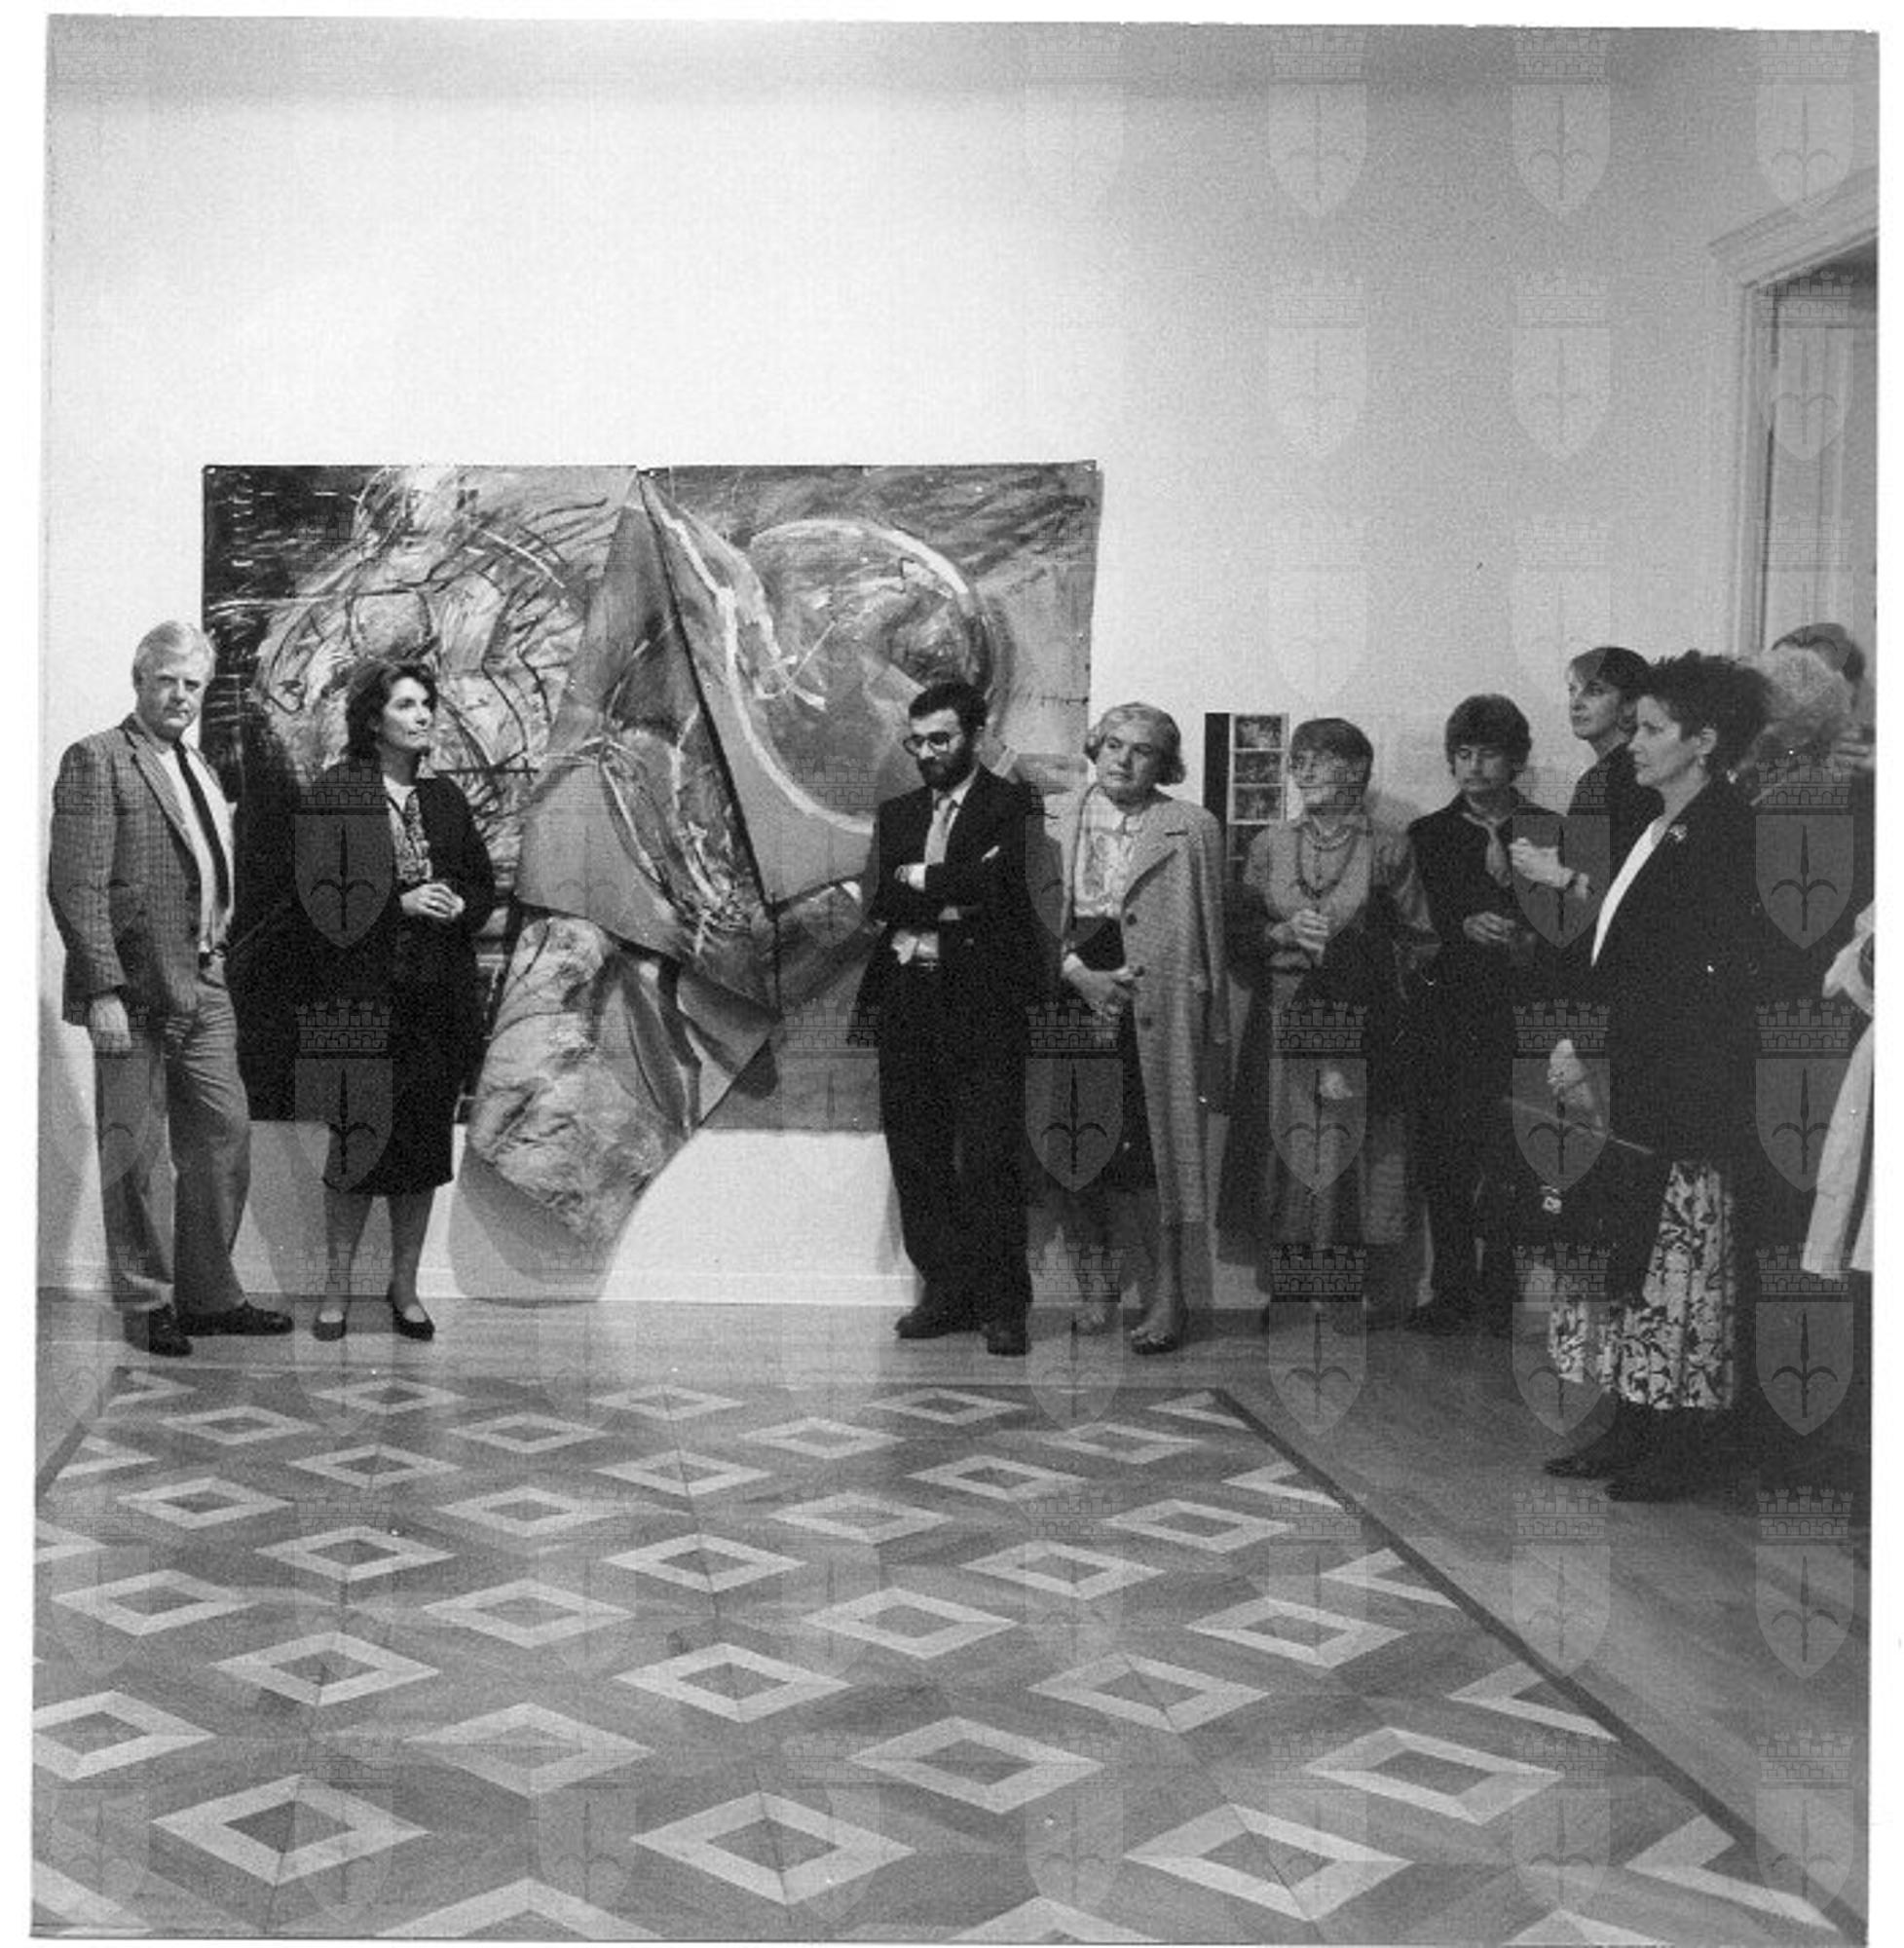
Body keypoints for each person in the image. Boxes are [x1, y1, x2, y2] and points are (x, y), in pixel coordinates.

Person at [1543, 653, 1773, 1501]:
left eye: (1650, 729)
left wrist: (1600, 1051)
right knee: (1633, 1259)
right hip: (1632, 1078)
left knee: (1680, 1266)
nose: (1633, 743)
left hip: (1682, 1089)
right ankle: (1631, 1421)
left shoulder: (1723, 830)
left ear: (1702, 741)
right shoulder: (1656, 822)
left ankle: (1680, 1442)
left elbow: (1690, 980)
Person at [47, 619, 291, 1356]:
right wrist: (102, 991)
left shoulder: (200, 766)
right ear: (139, 680)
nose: (181, 695)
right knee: (135, 1153)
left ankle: (209, 1298)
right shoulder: (97, 758)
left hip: (207, 981)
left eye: (193, 684)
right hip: (134, 989)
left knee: (223, 1137)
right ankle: (147, 1302)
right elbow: (76, 886)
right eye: (167, 681)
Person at [294, 659, 496, 1341]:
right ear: (372, 720)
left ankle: (404, 1287)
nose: (423, 714)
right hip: (360, 1003)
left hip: (435, 1008)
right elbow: (311, 903)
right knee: (355, 1151)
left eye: (426, 703)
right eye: (406, 704)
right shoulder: (336, 793)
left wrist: (460, 903)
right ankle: (336, 1288)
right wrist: (400, 904)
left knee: (422, 1154)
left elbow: (481, 885)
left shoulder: (445, 798)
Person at [1218, 718, 1437, 1327]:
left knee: (1351, 1152)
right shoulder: (1270, 844)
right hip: (1283, 1017)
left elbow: (1421, 942)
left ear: (1358, 770)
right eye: (1297, 759)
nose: (1302, 770)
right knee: (1287, 1150)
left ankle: (1344, 1292)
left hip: (1358, 1022)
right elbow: (1239, 932)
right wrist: (1281, 933)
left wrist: (1354, 954)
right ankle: (1289, 1290)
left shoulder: (1389, 846)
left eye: (1319, 758)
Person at [856, 677, 1048, 1356]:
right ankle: (943, 1293)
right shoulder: (898, 813)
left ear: (975, 736)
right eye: (917, 742)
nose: (927, 753)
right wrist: (949, 888)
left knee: (990, 1156)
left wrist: (921, 880)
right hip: (908, 999)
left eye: (941, 739)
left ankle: (1002, 1306)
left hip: (985, 1001)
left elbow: (1001, 891)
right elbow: (882, 900)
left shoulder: (1011, 804)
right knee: (917, 1151)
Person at [1038, 704, 1229, 1354]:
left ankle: (1169, 1295)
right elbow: (1031, 917)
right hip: (1070, 986)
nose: (1123, 759)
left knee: (1156, 1154)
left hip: (1157, 998)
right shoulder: (1052, 816)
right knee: (1073, 1146)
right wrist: (1077, 974)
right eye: (1113, 744)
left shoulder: (1191, 826)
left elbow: (1211, 931)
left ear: (1164, 763)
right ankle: (1096, 1288)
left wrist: (1212, 1026)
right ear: (1094, 749)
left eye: (1142, 750)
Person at [1406, 695, 1556, 1335]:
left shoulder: (1551, 830)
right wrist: (1459, 927)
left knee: (1512, 1156)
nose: (1473, 766)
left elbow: (1574, 927)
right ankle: (1450, 1290)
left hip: (1521, 1018)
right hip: (1447, 1017)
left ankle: (1500, 1292)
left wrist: (1526, 937)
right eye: (1462, 754)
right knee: (1445, 1158)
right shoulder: (1427, 835)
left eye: (1488, 753)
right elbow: (1411, 925)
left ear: (1515, 760)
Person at [1510, 644, 1660, 911]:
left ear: (1629, 706)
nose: (1576, 703)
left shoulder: (1625, 777)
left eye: (1595, 691)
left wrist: (1552, 873)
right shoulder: (1616, 772)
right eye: (1573, 690)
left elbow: (1622, 891)